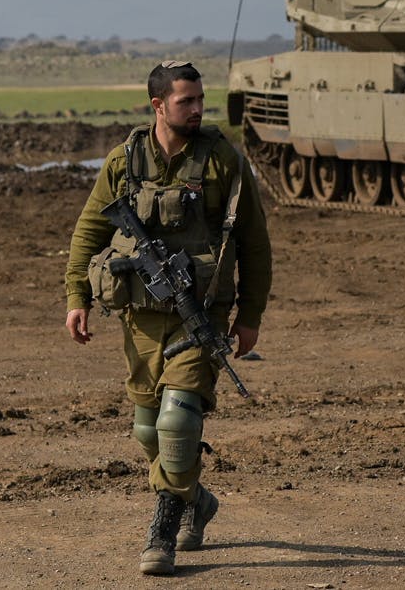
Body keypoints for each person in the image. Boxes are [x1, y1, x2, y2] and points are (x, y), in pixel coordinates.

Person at [63, 61, 272, 576]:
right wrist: (77, 297)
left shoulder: (224, 160)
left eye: (202, 99)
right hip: (139, 317)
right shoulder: (124, 161)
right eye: (186, 101)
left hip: (201, 314)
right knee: (148, 432)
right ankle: (195, 500)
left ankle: (163, 528)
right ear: (158, 106)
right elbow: (89, 230)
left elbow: (254, 242)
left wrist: (250, 314)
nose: (198, 109)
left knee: (178, 421)